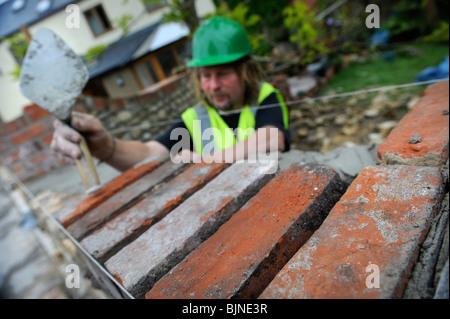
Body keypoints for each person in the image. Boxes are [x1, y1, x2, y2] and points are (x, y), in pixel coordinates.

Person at [51, 16, 291, 172]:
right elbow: (149, 154)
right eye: (206, 76)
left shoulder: (264, 97)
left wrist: (204, 160)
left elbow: (271, 137)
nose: (214, 85)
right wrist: (105, 147)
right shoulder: (194, 118)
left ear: (245, 71)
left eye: (224, 74)